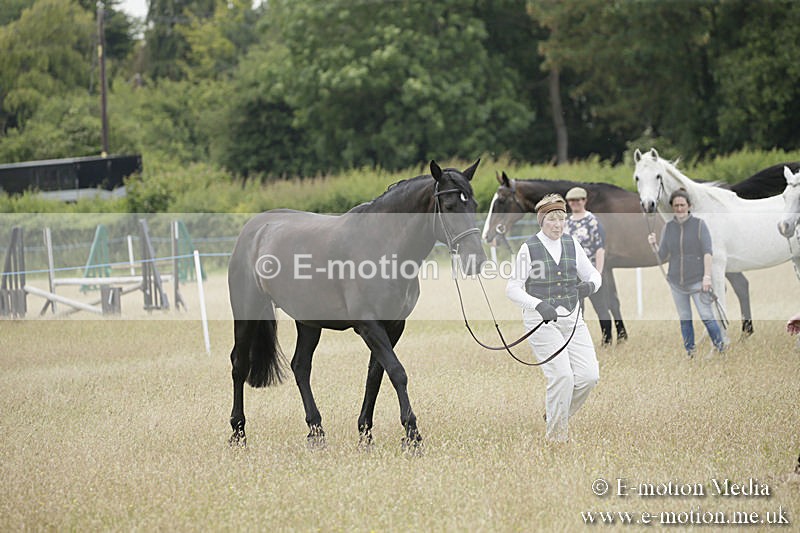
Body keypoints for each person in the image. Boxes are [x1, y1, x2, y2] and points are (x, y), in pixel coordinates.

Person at [506, 193, 602, 442]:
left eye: (561, 220)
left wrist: (590, 287)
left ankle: (556, 414)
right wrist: (538, 305)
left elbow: (593, 274)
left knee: (589, 376)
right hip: (541, 322)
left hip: (572, 317)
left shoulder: (572, 244)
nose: (557, 225)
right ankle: (556, 439)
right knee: (562, 376)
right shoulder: (529, 248)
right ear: (542, 221)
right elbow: (513, 288)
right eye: (552, 220)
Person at [647, 189, 726, 357]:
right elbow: (662, 255)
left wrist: (707, 277)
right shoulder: (668, 228)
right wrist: (653, 245)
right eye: (676, 205)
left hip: (698, 281)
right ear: (672, 208)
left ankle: (720, 348)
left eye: (682, 205)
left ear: (689, 206)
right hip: (676, 282)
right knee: (684, 318)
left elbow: (707, 252)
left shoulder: (699, 225)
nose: (679, 208)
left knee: (706, 316)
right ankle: (690, 352)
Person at [564, 186, 613, 346]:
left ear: (584, 201)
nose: (575, 203)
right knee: (578, 310)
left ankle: (607, 340)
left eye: (578, 200)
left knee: (601, 307)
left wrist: (597, 273)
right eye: (572, 201)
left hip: (591, 271)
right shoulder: (566, 223)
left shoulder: (592, 221)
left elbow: (600, 247)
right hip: (573, 274)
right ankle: (579, 342)